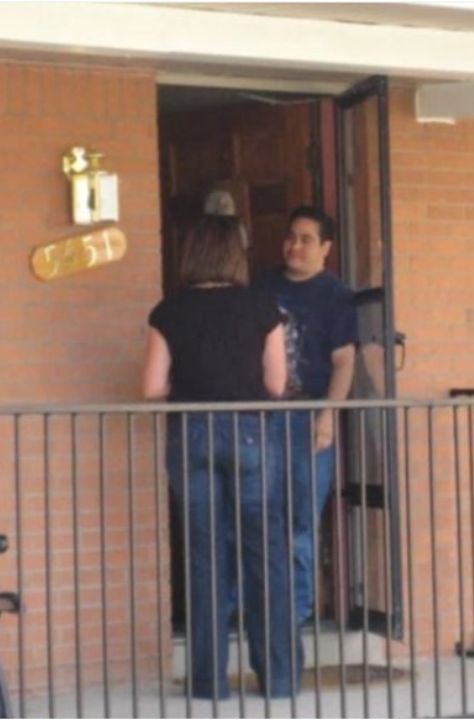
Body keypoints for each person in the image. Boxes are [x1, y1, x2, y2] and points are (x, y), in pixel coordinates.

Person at [143, 215, 300, 699]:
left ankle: (208, 683)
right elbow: (275, 385)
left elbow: (150, 388)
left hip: (191, 436)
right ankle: (277, 679)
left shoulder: (168, 311)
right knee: (264, 552)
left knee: (204, 557)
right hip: (250, 433)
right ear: (235, 253)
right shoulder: (262, 307)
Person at [253, 205, 357, 625]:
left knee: (300, 519)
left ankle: (295, 612)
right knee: (258, 514)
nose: (295, 246)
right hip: (260, 416)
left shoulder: (335, 295)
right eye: (291, 236)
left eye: (306, 239)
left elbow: (345, 362)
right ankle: (257, 609)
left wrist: (328, 416)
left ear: (326, 248)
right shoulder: (260, 285)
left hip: (308, 418)